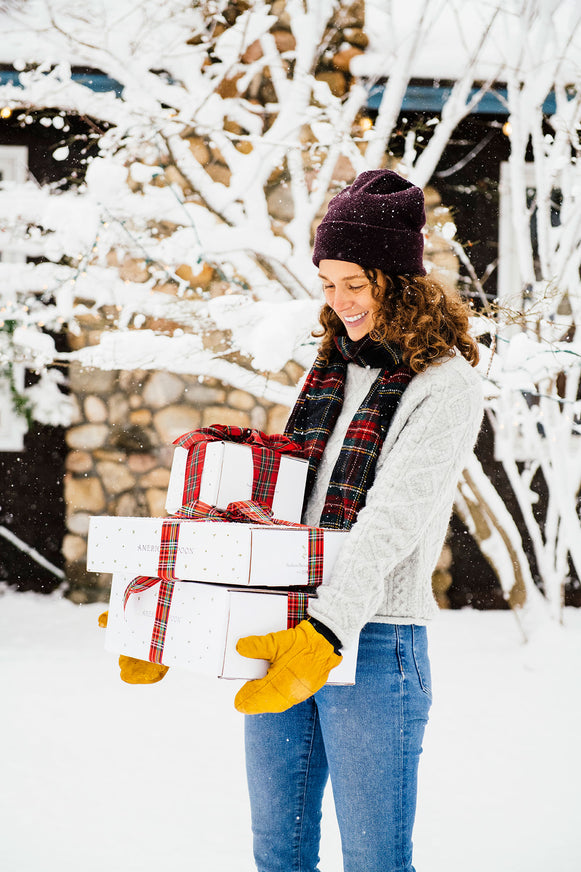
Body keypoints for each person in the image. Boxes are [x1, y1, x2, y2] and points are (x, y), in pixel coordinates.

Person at [233, 169, 484, 872]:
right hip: (286, 630)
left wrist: (328, 629)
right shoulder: (332, 370)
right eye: (327, 283)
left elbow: (390, 520)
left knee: (374, 860)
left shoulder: (446, 385)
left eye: (355, 283)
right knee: (276, 853)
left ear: (396, 279)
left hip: (373, 644)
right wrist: (182, 602)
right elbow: (284, 503)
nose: (340, 303)